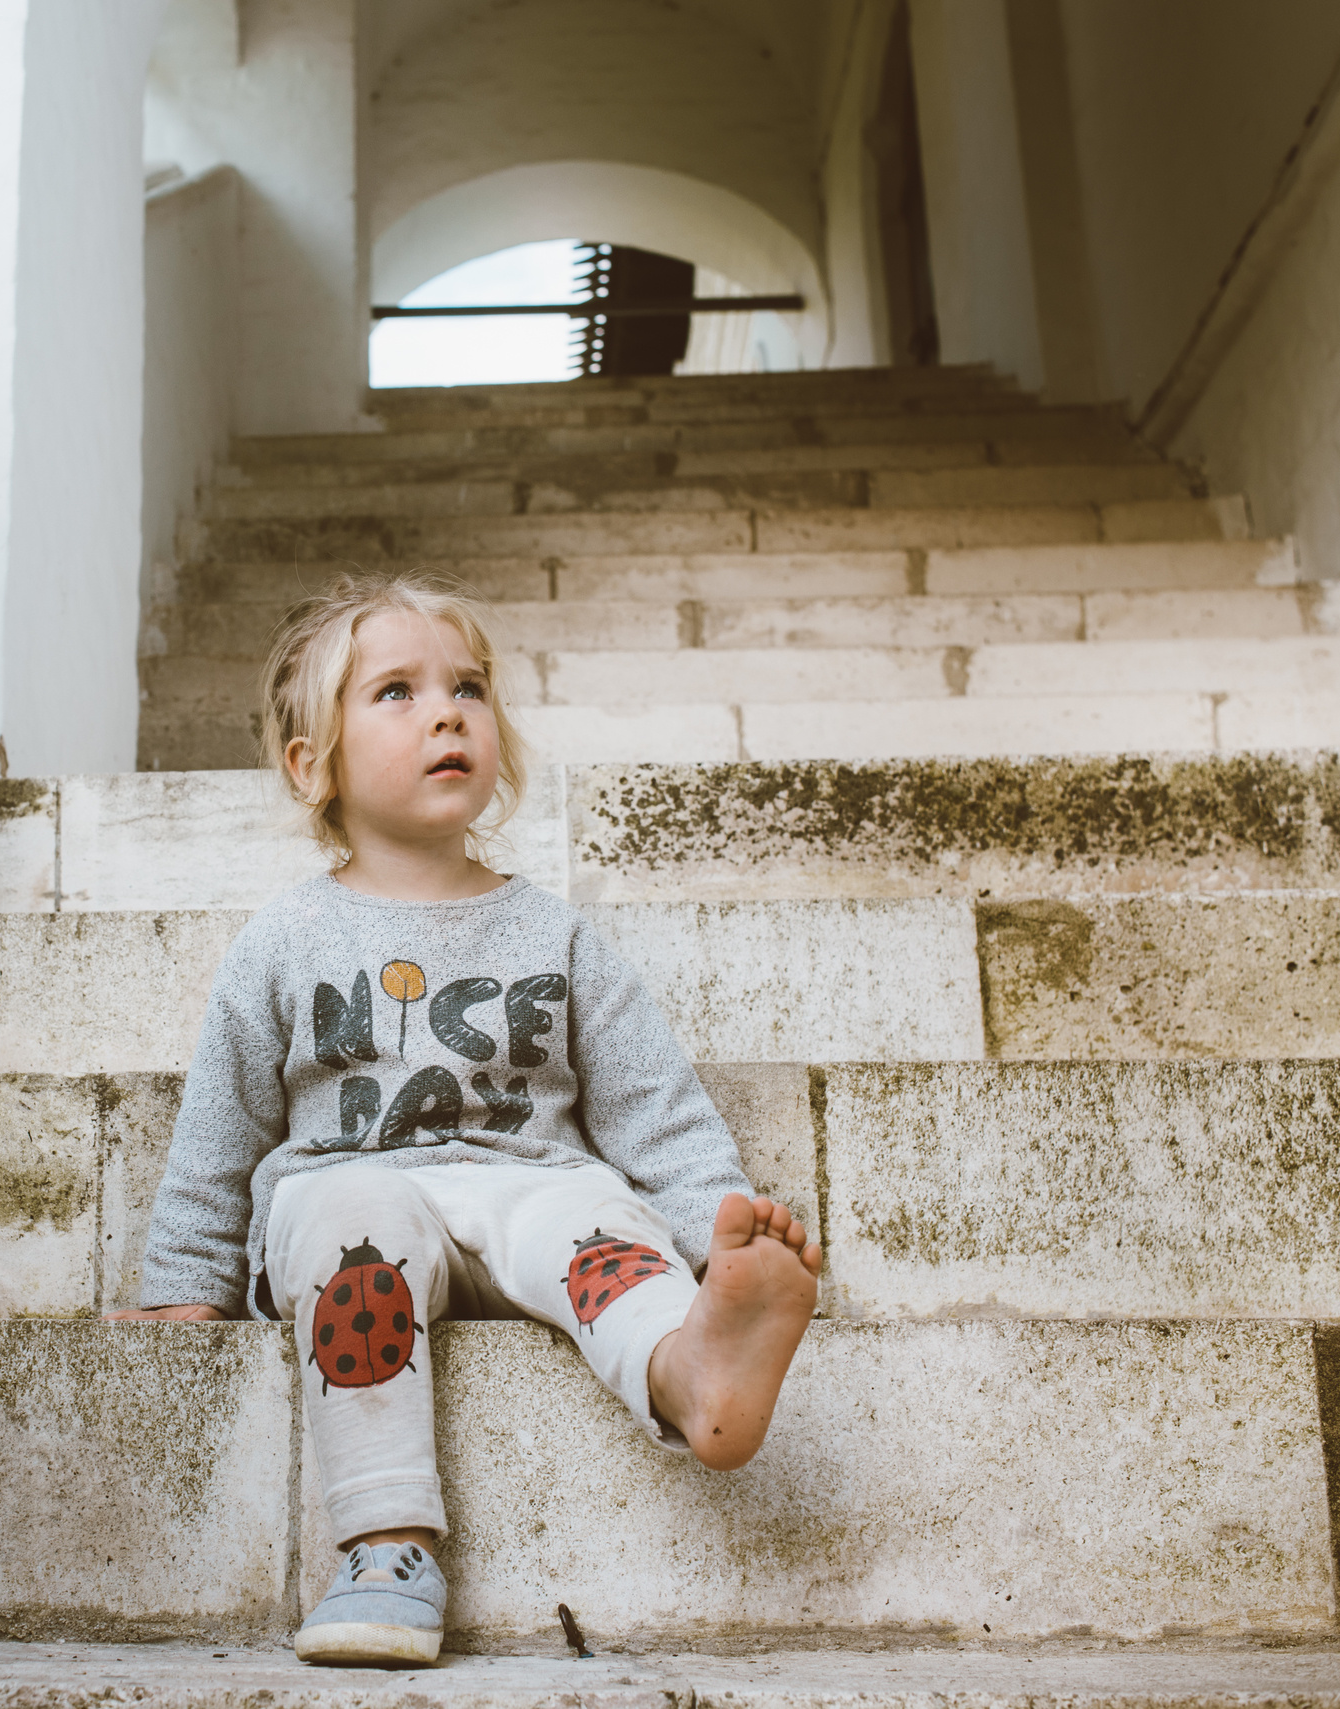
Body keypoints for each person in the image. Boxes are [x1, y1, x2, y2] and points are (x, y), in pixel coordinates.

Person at [104, 571, 822, 1667]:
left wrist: (724, 1225)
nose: (448, 711)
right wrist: (182, 1288)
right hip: (352, 1196)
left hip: (527, 1179)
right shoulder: (282, 941)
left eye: (469, 687)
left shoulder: (557, 934)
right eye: (396, 691)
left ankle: (690, 1365)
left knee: (599, 1227)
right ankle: (385, 1545)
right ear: (314, 764)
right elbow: (216, 1136)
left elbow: (656, 1114)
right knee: (358, 1215)